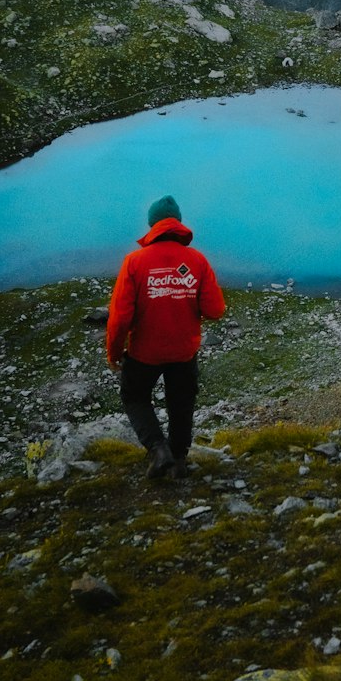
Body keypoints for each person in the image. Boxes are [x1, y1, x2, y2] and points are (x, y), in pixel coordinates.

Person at [106, 195, 226, 479]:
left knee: (134, 396)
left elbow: (120, 316)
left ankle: (158, 451)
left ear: (152, 225)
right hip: (184, 351)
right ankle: (180, 460)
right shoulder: (197, 260)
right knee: (181, 403)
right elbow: (216, 310)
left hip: (143, 352)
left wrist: (113, 351)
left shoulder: (134, 262)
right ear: (179, 223)